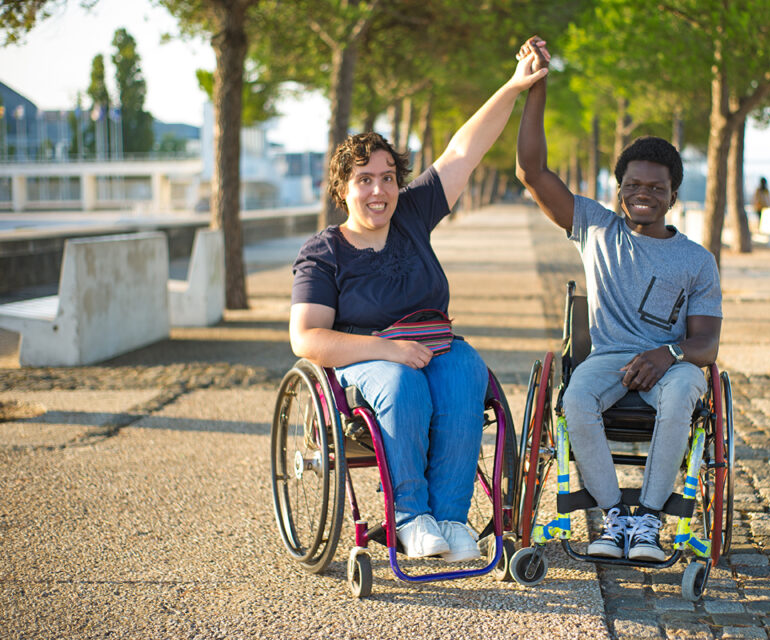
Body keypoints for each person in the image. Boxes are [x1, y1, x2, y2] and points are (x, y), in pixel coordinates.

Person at [289, 40, 549, 562]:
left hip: (433, 347)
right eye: (364, 180)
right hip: (365, 363)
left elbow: (462, 150)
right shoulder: (324, 252)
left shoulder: (410, 216)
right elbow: (308, 339)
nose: (379, 191)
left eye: (387, 178)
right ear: (342, 189)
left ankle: (450, 520)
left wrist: (516, 85)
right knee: (404, 382)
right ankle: (409, 517)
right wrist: (388, 350)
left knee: (464, 372)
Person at [515, 38, 722, 562]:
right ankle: (614, 520)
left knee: (681, 397)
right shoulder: (597, 229)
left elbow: (708, 341)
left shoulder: (696, 260)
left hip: (673, 365)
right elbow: (531, 173)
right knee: (575, 400)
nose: (642, 193)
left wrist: (667, 355)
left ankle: (649, 522)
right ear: (619, 189)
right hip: (606, 358)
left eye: (655, 186)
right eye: (632, 184)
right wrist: (535, 86)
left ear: (673, 194)